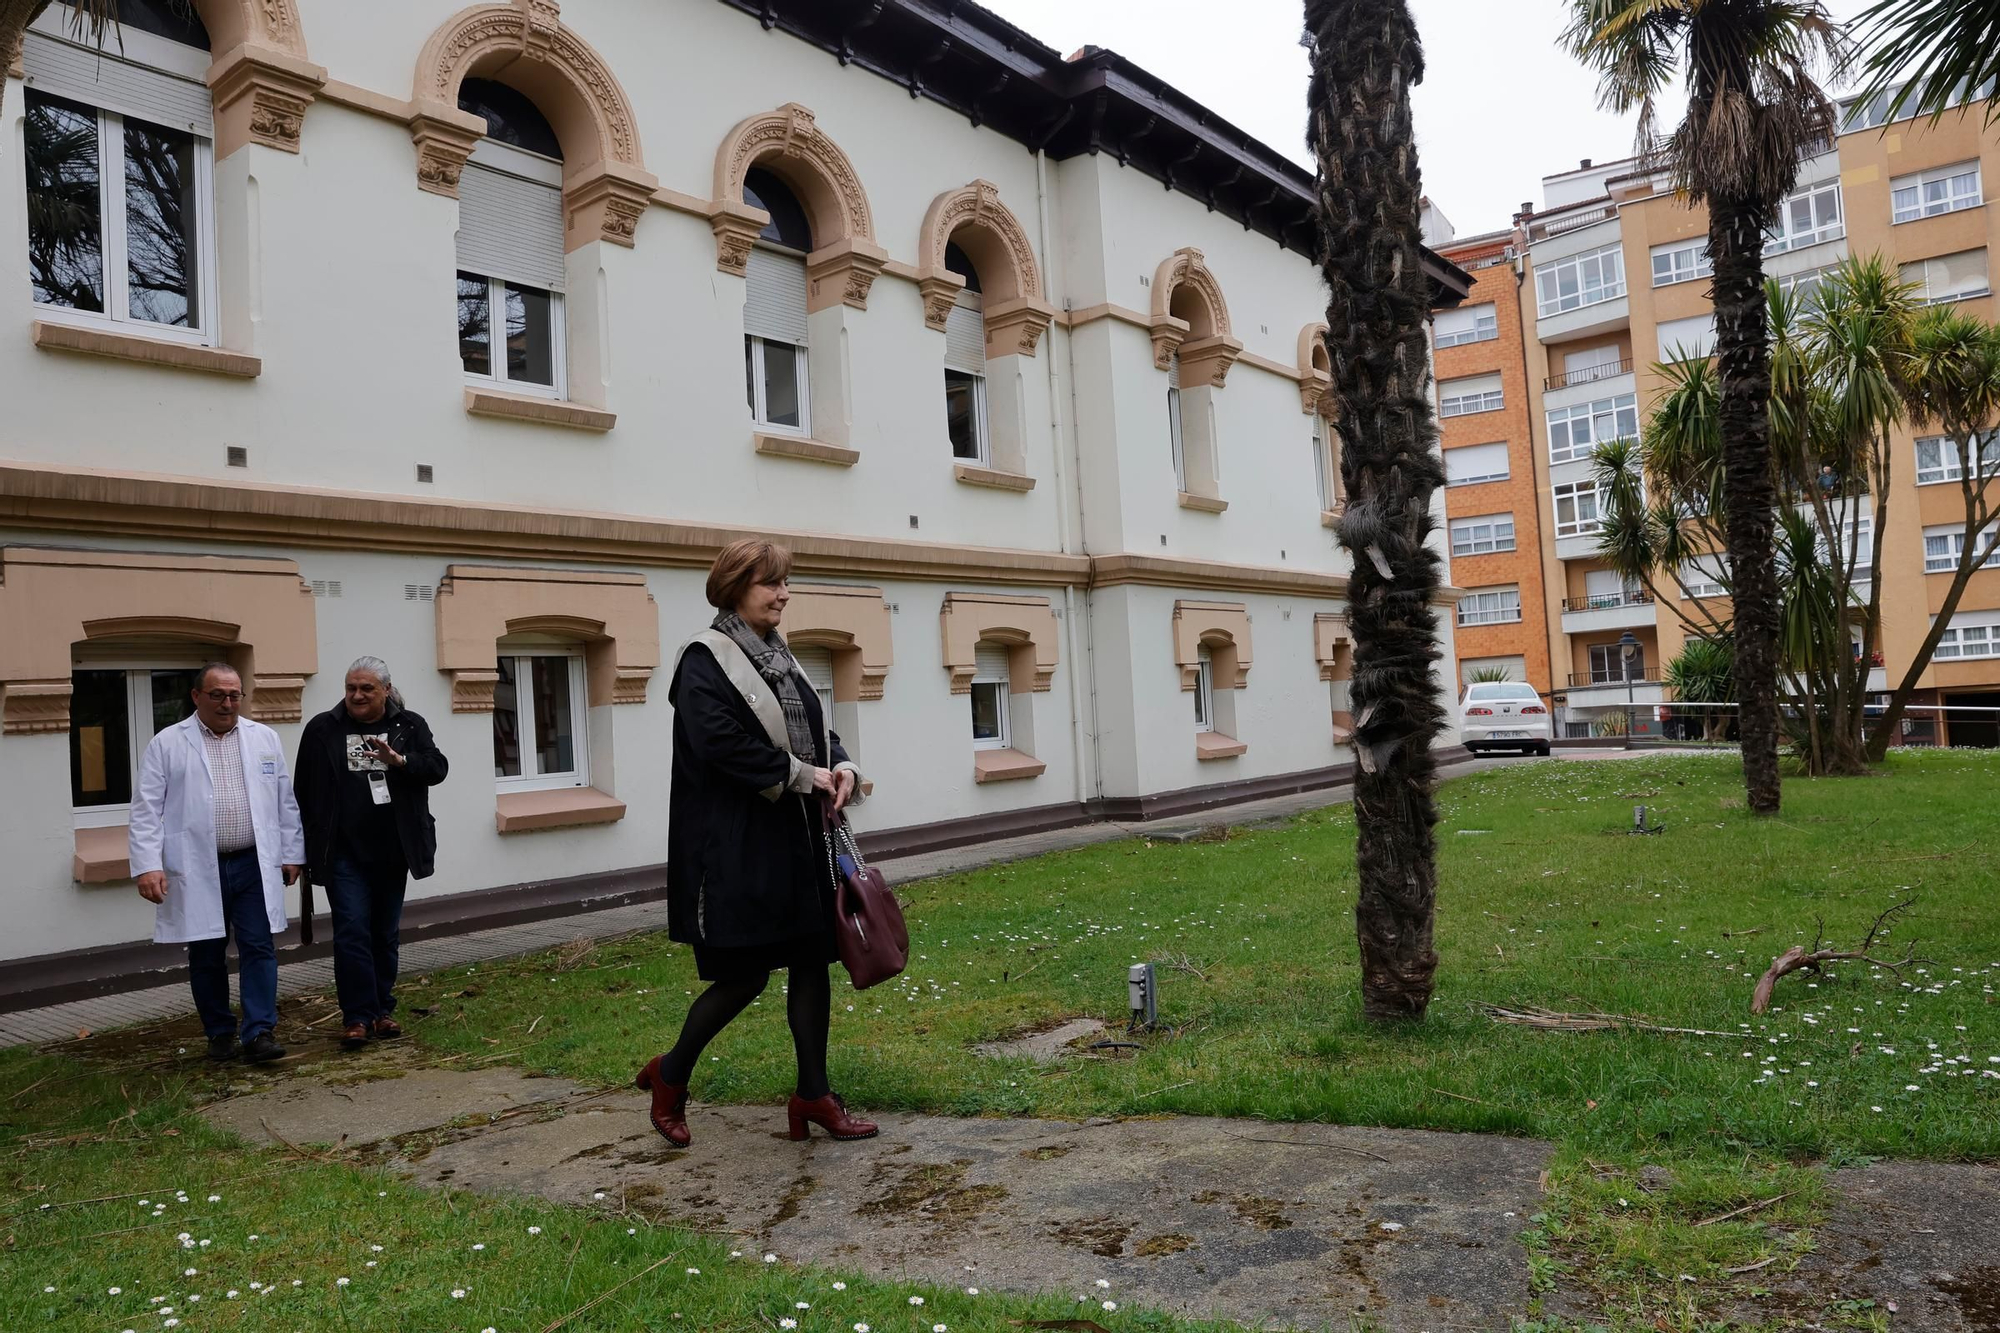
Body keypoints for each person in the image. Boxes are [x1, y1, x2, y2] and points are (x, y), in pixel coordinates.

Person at [636, 539, 874, 1147]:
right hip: (736, 847)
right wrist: (804, 775)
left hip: (796, 839)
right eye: (771, 583)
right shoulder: (703, 660)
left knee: (810, 962)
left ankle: (813, 1095)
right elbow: (721, 746)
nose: (784, 593)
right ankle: (670, 1074)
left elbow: (815, 729)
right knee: (744, 977)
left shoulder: (780, 656)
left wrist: (840, 764)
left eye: (785, 582)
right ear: (735, 586)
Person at [129, 663, 303, 1063]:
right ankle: (219, 1033)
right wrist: (147, 866)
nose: (228, 703)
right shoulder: (167, 743)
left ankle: (259, 1031)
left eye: (235, 695)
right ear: (196, 697)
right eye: (218, 695)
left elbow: (283, 801)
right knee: (207, 951)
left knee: (259, 946)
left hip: (253, 863)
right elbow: (145, 811)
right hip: (197, 865)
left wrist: (293, 852)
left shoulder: (265, 739)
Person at [294, 657, 449, 1050]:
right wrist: (301, 849)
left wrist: (399, 761)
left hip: (393, 850)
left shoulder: (408, 725)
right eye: (351, 688)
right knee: (351, 931)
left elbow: (436, 767)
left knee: (383, 933)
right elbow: (303, 792)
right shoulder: (322, 729)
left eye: (366, 689)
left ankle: (382, 1010)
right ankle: (357, 1017)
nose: (357, 696)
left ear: (385, 690)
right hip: (343, 852)